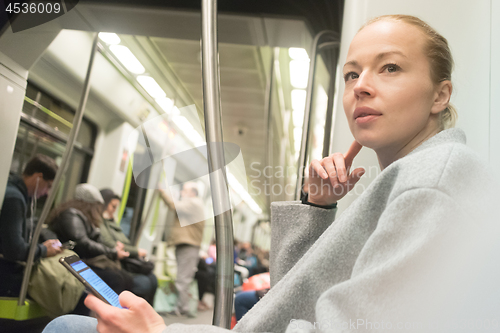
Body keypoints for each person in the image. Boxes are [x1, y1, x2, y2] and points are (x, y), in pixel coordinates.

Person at [42, 15, 500, 333]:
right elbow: (300, 297)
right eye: (351, 74)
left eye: (391, 67)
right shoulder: (408, 175)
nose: (361, 85)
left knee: (68, 325)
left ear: (440, 95)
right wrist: (318, 207)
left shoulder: (433, 182)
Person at [48, 183, 133, 295]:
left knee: (122, 277)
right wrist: (112, 252)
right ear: (91, 205)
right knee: (116, 278)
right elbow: (82, 244)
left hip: (80, 261)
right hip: (71, 262)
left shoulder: (81, 217)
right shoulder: (71, 215)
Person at [0, 154, 62, 297]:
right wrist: (44, 250)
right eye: (48, 186)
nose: (47, 193)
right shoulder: (14, 199)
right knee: (52, 288)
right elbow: (14, 250)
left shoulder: (13, 191)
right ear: (38, 177)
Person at [99, 188, 157, 305]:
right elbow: (110, 243)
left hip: (124, 260)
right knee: (144, 283)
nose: (114, 210)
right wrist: (136, 251)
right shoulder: (101, 222)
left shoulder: (111, 222)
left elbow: (124, 243)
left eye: (116, 207)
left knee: (153, 279)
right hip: (115, 262)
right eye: (112, 206)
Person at [158, 182, 206, 317]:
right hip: (187, 245)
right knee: (183, 277)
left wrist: (161, 191)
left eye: (184, 190)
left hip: (189, 246)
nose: (181, 193)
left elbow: (174, 205)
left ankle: (182, 309)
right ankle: (182, 307)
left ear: (193, 193)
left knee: (183, 278)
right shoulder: (195, 203)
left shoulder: (193, 203)